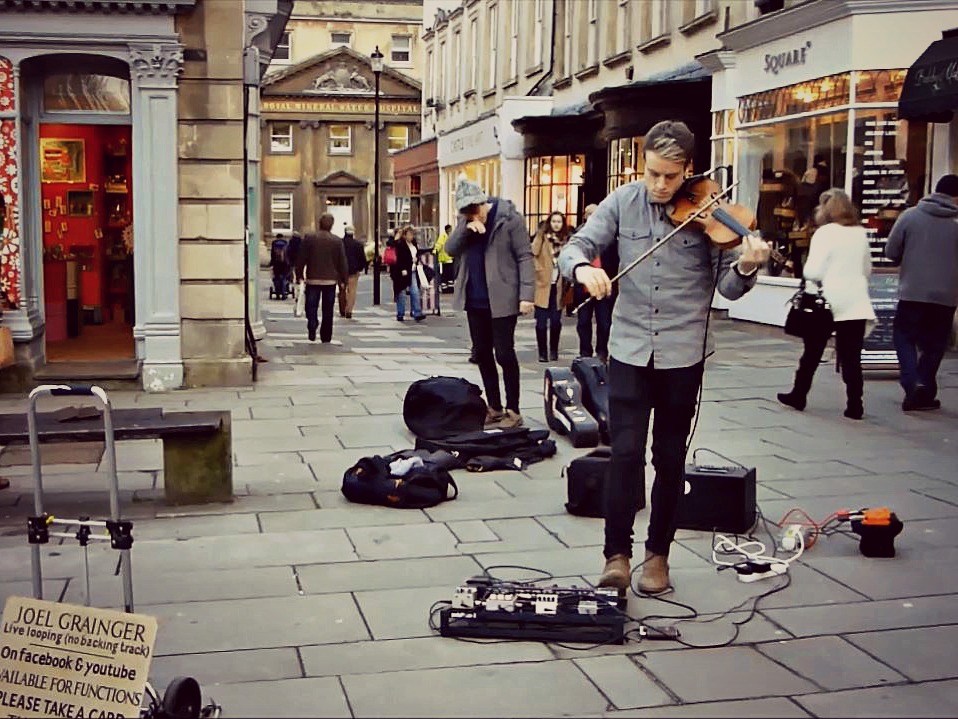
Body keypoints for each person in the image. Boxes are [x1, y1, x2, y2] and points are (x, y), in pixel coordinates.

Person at [558, 120, 770, 595]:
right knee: (625, 456)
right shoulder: (622, 202)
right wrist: (581, 270)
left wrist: (748, 265)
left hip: (682, 352)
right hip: (630, 350)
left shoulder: (712, 212)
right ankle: (616, 555)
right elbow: (577, 246)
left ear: (687, 170)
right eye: (653, 173)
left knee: (670, 459)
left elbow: (729, 289)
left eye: (671, 177)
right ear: (643, 164)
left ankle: (658, 556)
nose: (660, 185)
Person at [777, 189, 876, 420]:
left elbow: (813, 271)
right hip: (854, 301)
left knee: (812, 353)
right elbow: (867, 269)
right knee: (851, 356)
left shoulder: (825, 233)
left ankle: (798, 395)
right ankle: (855, 405)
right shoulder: (859, 233)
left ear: (827, 209)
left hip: (826, 302)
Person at [446, 175, 534, 429]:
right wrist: (465, 228)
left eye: (476, 211)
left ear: (484, 202)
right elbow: (450, 250)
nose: (476, 217)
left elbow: (525, 257)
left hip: (503, 298)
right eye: (468, 214)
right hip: (475, 299)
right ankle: (494, 407)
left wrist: (527, 295)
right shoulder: (467, 220)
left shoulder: (510, 219)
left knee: (505, 354)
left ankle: (514, 410)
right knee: (482, 354)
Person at [884, 174, 958, 411]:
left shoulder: (910, 216)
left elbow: (891, 251)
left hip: (912, 291)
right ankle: (923, 389)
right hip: (946, 295)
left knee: (904, 336)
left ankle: (912, 381)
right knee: (935, 345)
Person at [573, 203, 617, 363]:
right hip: (584, 287)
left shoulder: (610, 236)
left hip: (604, 286)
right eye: (589, 214)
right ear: (585, 216)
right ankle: (585, 352)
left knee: (604, 323)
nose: (592, 217)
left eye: (595, 214)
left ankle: (602, 351)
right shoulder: (578, 236)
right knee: (583, 322)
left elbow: (615, 261)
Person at [296, 213, 348, 343]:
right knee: (328, 309)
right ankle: (326, 335)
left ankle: (312, 323)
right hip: (330, 281)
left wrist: (299, 274)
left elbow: (301, 259)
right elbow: (342, 262)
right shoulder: (337, 241)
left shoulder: (309, 238)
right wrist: (344, 280)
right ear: (332, 225)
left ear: (319, 223)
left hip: (313, 279)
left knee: (311, 306)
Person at [532, 212, 571, 363]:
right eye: (554, 221)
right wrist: (539, 270)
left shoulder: (566, 240)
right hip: (543, 285)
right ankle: (542, 352)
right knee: (541, 323)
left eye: (559, 222)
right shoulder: (542, 236)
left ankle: (553, 350)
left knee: (556, 321)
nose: (556, 224)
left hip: (559, 286)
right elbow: (533, 254)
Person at [389, 225, 426, 322]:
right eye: (409, 234)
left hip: (412, 271)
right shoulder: (400, 244)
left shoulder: (414, 244)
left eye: (412, 234)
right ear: (404, 235)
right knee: (401, 293)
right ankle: (400, 313)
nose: (411, 237)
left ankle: (417, 312)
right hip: (402, 272)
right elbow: (399, 258)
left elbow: (417, 254)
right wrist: (402, 268)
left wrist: (416, 259)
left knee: (415, 291)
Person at [339, 225, 366, 319]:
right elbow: (363, 258)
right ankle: (349, 310)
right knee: (352, 291)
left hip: (341, 271)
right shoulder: (358, 244)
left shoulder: (340, 243)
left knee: (342, 290)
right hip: (354, 271)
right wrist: (360, 268)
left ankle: (342, 309)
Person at [434, 224, 455, 293]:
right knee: (446, 274)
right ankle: (445, 289)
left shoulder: (450, 236)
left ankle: (450, 288)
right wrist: (435, 251)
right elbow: (439, 244)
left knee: (449, 275)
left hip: (449, 258)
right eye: (450, 229)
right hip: (445, 259)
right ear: (448, 229)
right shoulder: (443, 236)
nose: (451, 230)